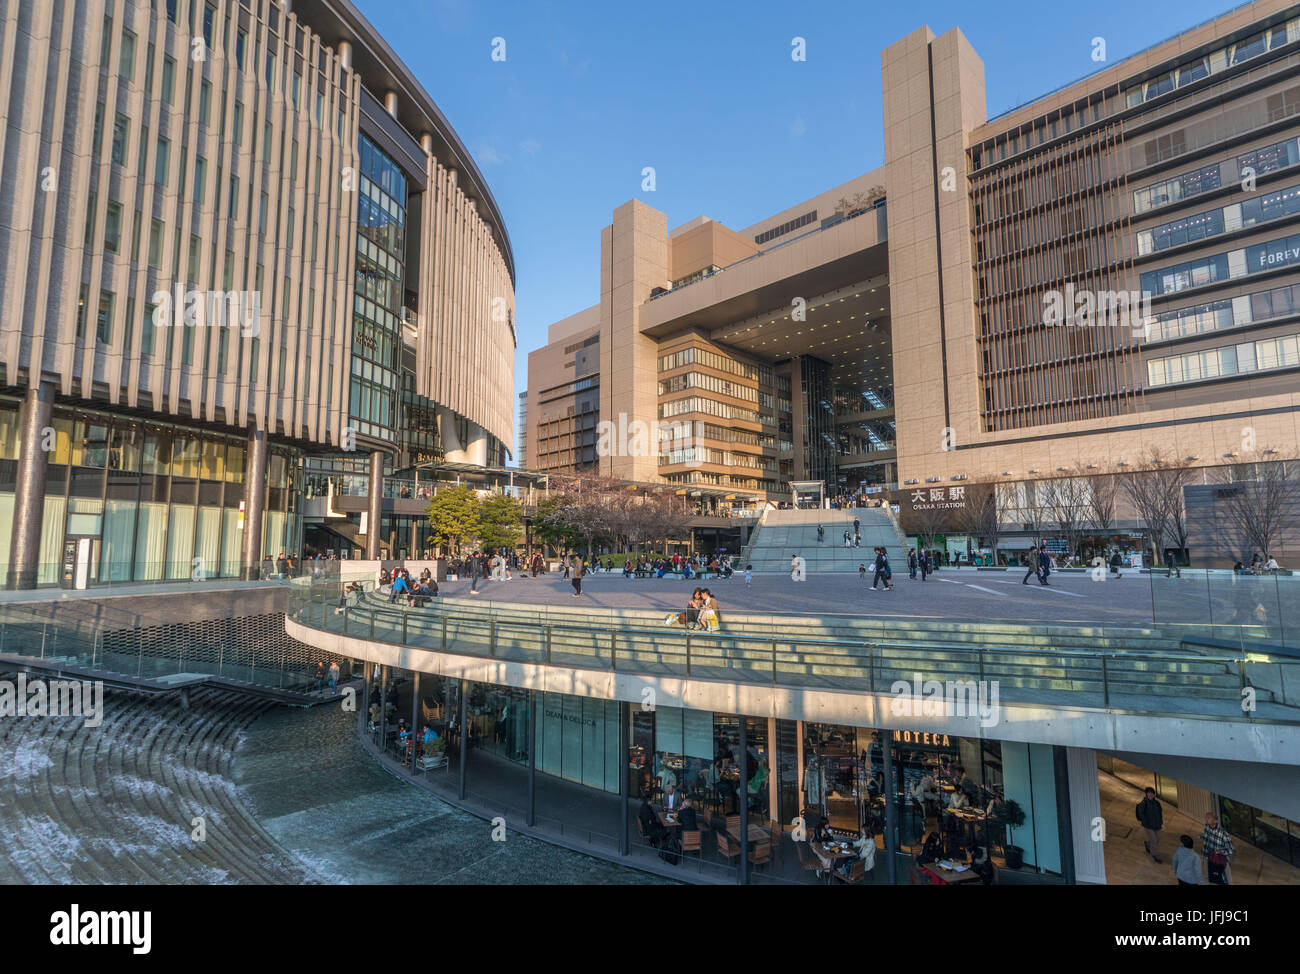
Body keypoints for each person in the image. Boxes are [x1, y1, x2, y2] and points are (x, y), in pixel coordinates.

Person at [1201, 812, 1234, 885]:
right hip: (1208, 856)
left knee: (1227, 880)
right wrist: (1201, 836)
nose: (1206, 819)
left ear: (1215, 821)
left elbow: (1230, 849)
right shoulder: (1207, 827)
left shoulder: (1223, 833)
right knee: (1207, 876)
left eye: (1208, 817)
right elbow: (1207, 837)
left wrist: (1220, 852)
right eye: (1206, 817)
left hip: (1221, 860)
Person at [1137, 786, 1164, 862]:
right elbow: (1141, 814)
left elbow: (1160, 813)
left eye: (1152, 793)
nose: (1150, 795)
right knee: (1154, 840)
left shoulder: (1157, 803)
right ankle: (1154, 854)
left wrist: (1161, 822)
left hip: (1157, 824)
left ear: (1154, 794)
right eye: (1149, 793)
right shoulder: (1144, 803)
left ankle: (1148, 844)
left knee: (1158, 838)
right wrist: (1146, 821)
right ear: (1146, 794)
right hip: (1148, 825)